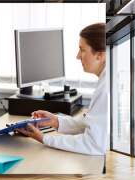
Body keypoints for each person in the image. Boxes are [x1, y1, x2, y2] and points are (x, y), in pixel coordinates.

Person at [17, 23, 109, 156]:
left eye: (82, 50)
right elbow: (92, 124)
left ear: (99, 55)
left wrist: (43, 138)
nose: (78, 56)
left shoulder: (106, 88)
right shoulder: (105, 80)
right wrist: (55, 121)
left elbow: (93, 143)